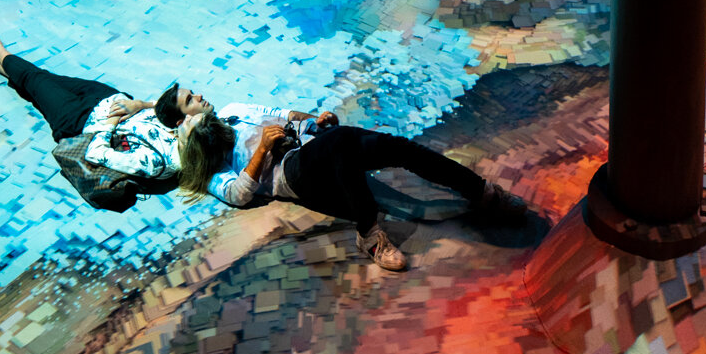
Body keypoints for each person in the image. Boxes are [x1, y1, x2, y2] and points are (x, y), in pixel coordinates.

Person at [177, 99, 527, 271]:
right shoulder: (212, 171)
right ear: (195, 146)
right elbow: (239, 196)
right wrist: (263, 152)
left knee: (398, 149)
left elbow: (285, 115)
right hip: (292, 171)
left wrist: (314, 118)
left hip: (318, 142)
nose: (199, 114)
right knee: (340, 143)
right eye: (191, 121)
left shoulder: (235, 111)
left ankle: (480, 192)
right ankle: (371, 235)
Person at [0, 8, 210, 180]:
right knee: (41, 78)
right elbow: (163, 106)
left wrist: (111, 124)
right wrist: (141, 104)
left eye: (191, 101)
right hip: (106, 97)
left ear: (184, 121)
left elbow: (96, 153)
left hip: (78, 120)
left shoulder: (157, 161)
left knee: (33, 78)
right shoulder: (185, 127)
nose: (199, 98)